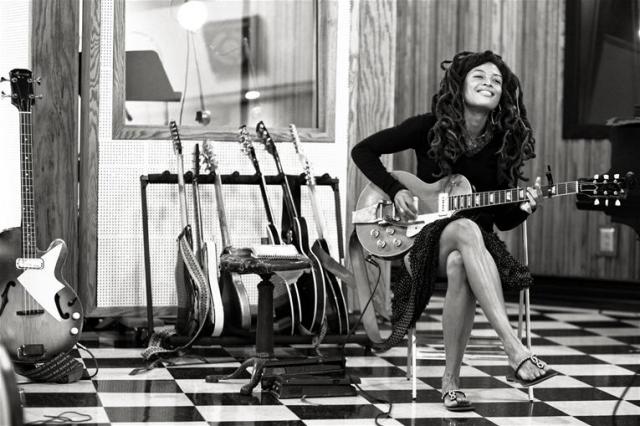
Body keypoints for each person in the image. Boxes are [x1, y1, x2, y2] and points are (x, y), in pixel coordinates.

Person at [351, 50, 558, 411]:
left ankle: (450, 383)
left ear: (502, 96)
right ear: (460, 84)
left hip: (475, 249)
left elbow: (503, 219)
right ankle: (514, 348)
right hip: (421, 241)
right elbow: (363, 151)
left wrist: (526, 206)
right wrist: (396, 190)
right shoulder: (428, 126)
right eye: (480, 76)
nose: (489, 83)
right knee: (464, 227)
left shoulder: (504, 143)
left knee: (462, 258)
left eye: (497, 81)